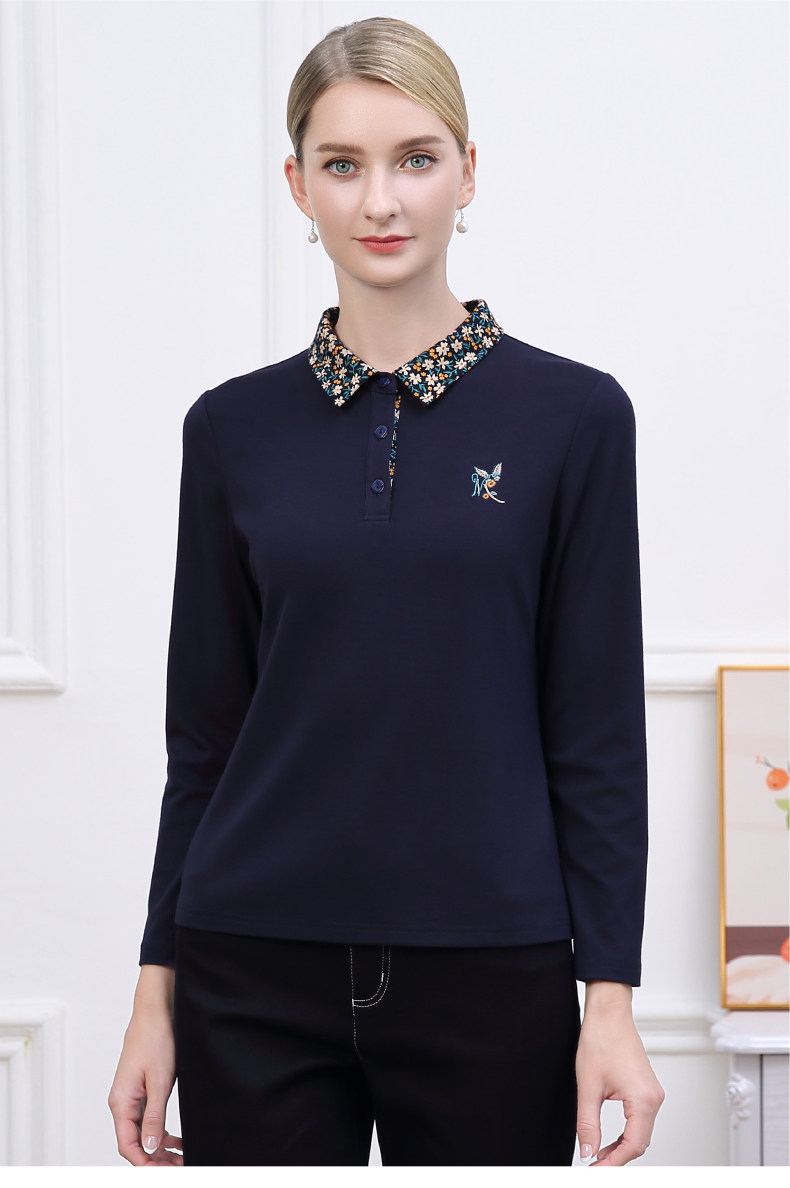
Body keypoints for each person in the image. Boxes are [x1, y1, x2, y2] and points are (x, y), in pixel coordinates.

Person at [108, 16, 664, 1167]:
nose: (380, 201)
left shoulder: (574, 419)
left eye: (414, 159)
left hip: (493, 967)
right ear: (297, 186)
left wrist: (608, 996)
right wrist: (154, 990)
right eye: (341, 164)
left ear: (468, 172)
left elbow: (597, 734)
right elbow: (202, 738)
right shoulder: (230, 429)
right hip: (249, 964)